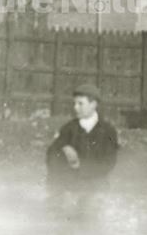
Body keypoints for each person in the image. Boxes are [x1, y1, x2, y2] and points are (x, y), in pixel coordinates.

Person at [45, 83, 119, 220]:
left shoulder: (107, 131)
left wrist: (80, 165)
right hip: (70, 187)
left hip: (95, 187)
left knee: (89, 214)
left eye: (80, 104)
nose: (75, 108)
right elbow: (51, 157)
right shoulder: (68, 129)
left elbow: (108, 163)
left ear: (93, 104)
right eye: (74, 103)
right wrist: (63, 151)